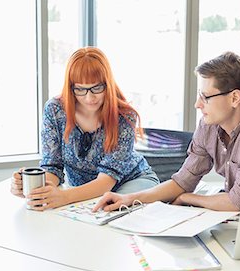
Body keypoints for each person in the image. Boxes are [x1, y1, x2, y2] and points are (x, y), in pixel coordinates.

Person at [93, 51, 240, 212]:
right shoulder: (209, 124)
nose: (197, 104)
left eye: (205, 97)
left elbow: (238, 201)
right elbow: (184, 180)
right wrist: (131, 198)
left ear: (235, 98)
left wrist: (188, 198)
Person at [10, 47, 159, 210]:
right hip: (83, 193)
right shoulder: (55, 110)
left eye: (97, 88)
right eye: (80, 89)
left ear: (107, 84)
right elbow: (53, 167)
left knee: (111, 211)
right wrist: (33, 187)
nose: (89, 98)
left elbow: (105, 182)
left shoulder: (124, 116)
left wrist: (64, 197)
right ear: (71, 87)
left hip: (132, 182)